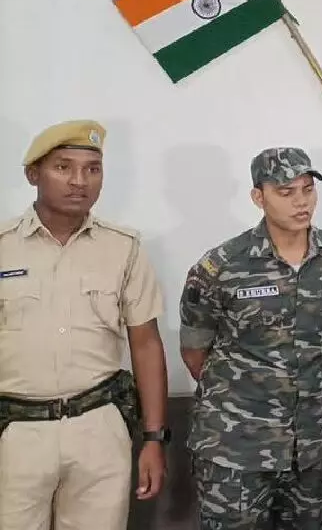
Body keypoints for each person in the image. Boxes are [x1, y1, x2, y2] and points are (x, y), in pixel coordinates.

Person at [0, 119, 169, 530]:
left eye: (93, 169)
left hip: (99, 428)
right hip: (15, 432)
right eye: (63, 167)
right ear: (33, 174)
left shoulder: (123, 247)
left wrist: (154, 438)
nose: (80, 181)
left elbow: (146, 343)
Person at [178, 147, 322, 530]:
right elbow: (194, 352)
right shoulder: (222, 266)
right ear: (258, 197)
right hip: (236, 448)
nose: (301, 202)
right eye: (285, 192)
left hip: (313, 446)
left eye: (307, 189)